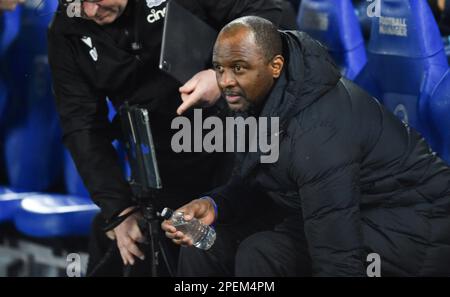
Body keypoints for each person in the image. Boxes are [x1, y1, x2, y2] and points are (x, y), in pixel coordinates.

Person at [162, 16, 450, 277]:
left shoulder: (318, 130)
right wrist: (215, 205)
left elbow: (338, 257)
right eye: (219, 69)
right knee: (205, 245)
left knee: (263, 252)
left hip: (415, 228)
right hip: (340, 211)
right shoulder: (256, 100)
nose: (225, 82)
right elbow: (260, 179)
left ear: (275, 66)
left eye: (238, 68)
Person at [47, 0, 293, 276]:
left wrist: (224, 74)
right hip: (162, 170)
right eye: (76, 3)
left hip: (238, 155)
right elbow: (82, 126)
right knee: (119, 243)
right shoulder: (66, 29)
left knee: (211, 251)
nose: (90, 11)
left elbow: (270, 16)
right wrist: (119, 211)